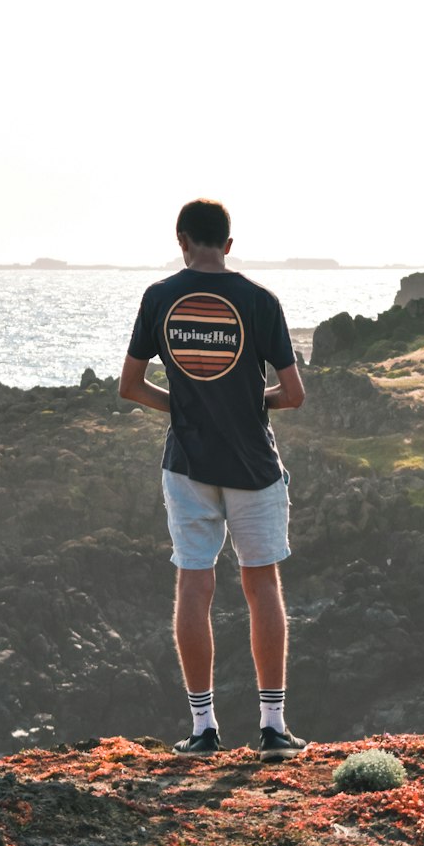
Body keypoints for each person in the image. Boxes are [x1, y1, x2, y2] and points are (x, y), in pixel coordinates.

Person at [119, 199, 307, 761]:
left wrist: (182, 410)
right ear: (228, 244)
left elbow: (130, 386)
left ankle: (203, 730)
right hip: (252, 464)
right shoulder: (259, 300)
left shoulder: (158, 298)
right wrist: (252, 403)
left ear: (181, 240)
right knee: (262, 586)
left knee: (193, 586)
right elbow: (294, 395)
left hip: (189, 466)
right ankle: (273, 728)